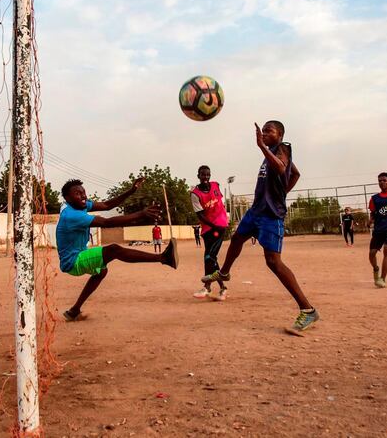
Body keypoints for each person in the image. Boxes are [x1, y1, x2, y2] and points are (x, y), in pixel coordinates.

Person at [202, 121, 319, 334]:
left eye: (268, 131)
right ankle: (225, 273)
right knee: (237, 238)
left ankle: (308, 309)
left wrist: (261, 147)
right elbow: (294, 173)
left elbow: (284, 168)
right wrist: (282, 189)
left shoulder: (282, 149)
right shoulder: (270, 154)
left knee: (273, 261)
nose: (264, 133)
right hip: (256, 210)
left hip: (271, 214)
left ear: (280, 134)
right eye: (262, 130)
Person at [56, 178, 178, 322]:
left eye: (83, 192)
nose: (83, 196)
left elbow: (107, 205)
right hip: (73, 261)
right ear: (67, 198)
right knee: (113, 250)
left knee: (101, 271)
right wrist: (141, 214)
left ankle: (74, 311)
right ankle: (164, 258)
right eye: (77, 193)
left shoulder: (79, 206)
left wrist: (130, 191)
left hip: (79, 254)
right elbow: (107, 223)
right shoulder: (71, 215)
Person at [190, 165, 230, 300]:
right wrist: (213, 226)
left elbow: (221, 204)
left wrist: (223, 220)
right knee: (211, 258)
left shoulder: (216, 185)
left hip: (219, 226)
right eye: (203, 175)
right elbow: (200, 215)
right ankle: (223, 288)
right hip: (209, 228)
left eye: (208, 174)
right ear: (198, 176)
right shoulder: (195, 194)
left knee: (209, 257)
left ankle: (207, 287)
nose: (206, 177)